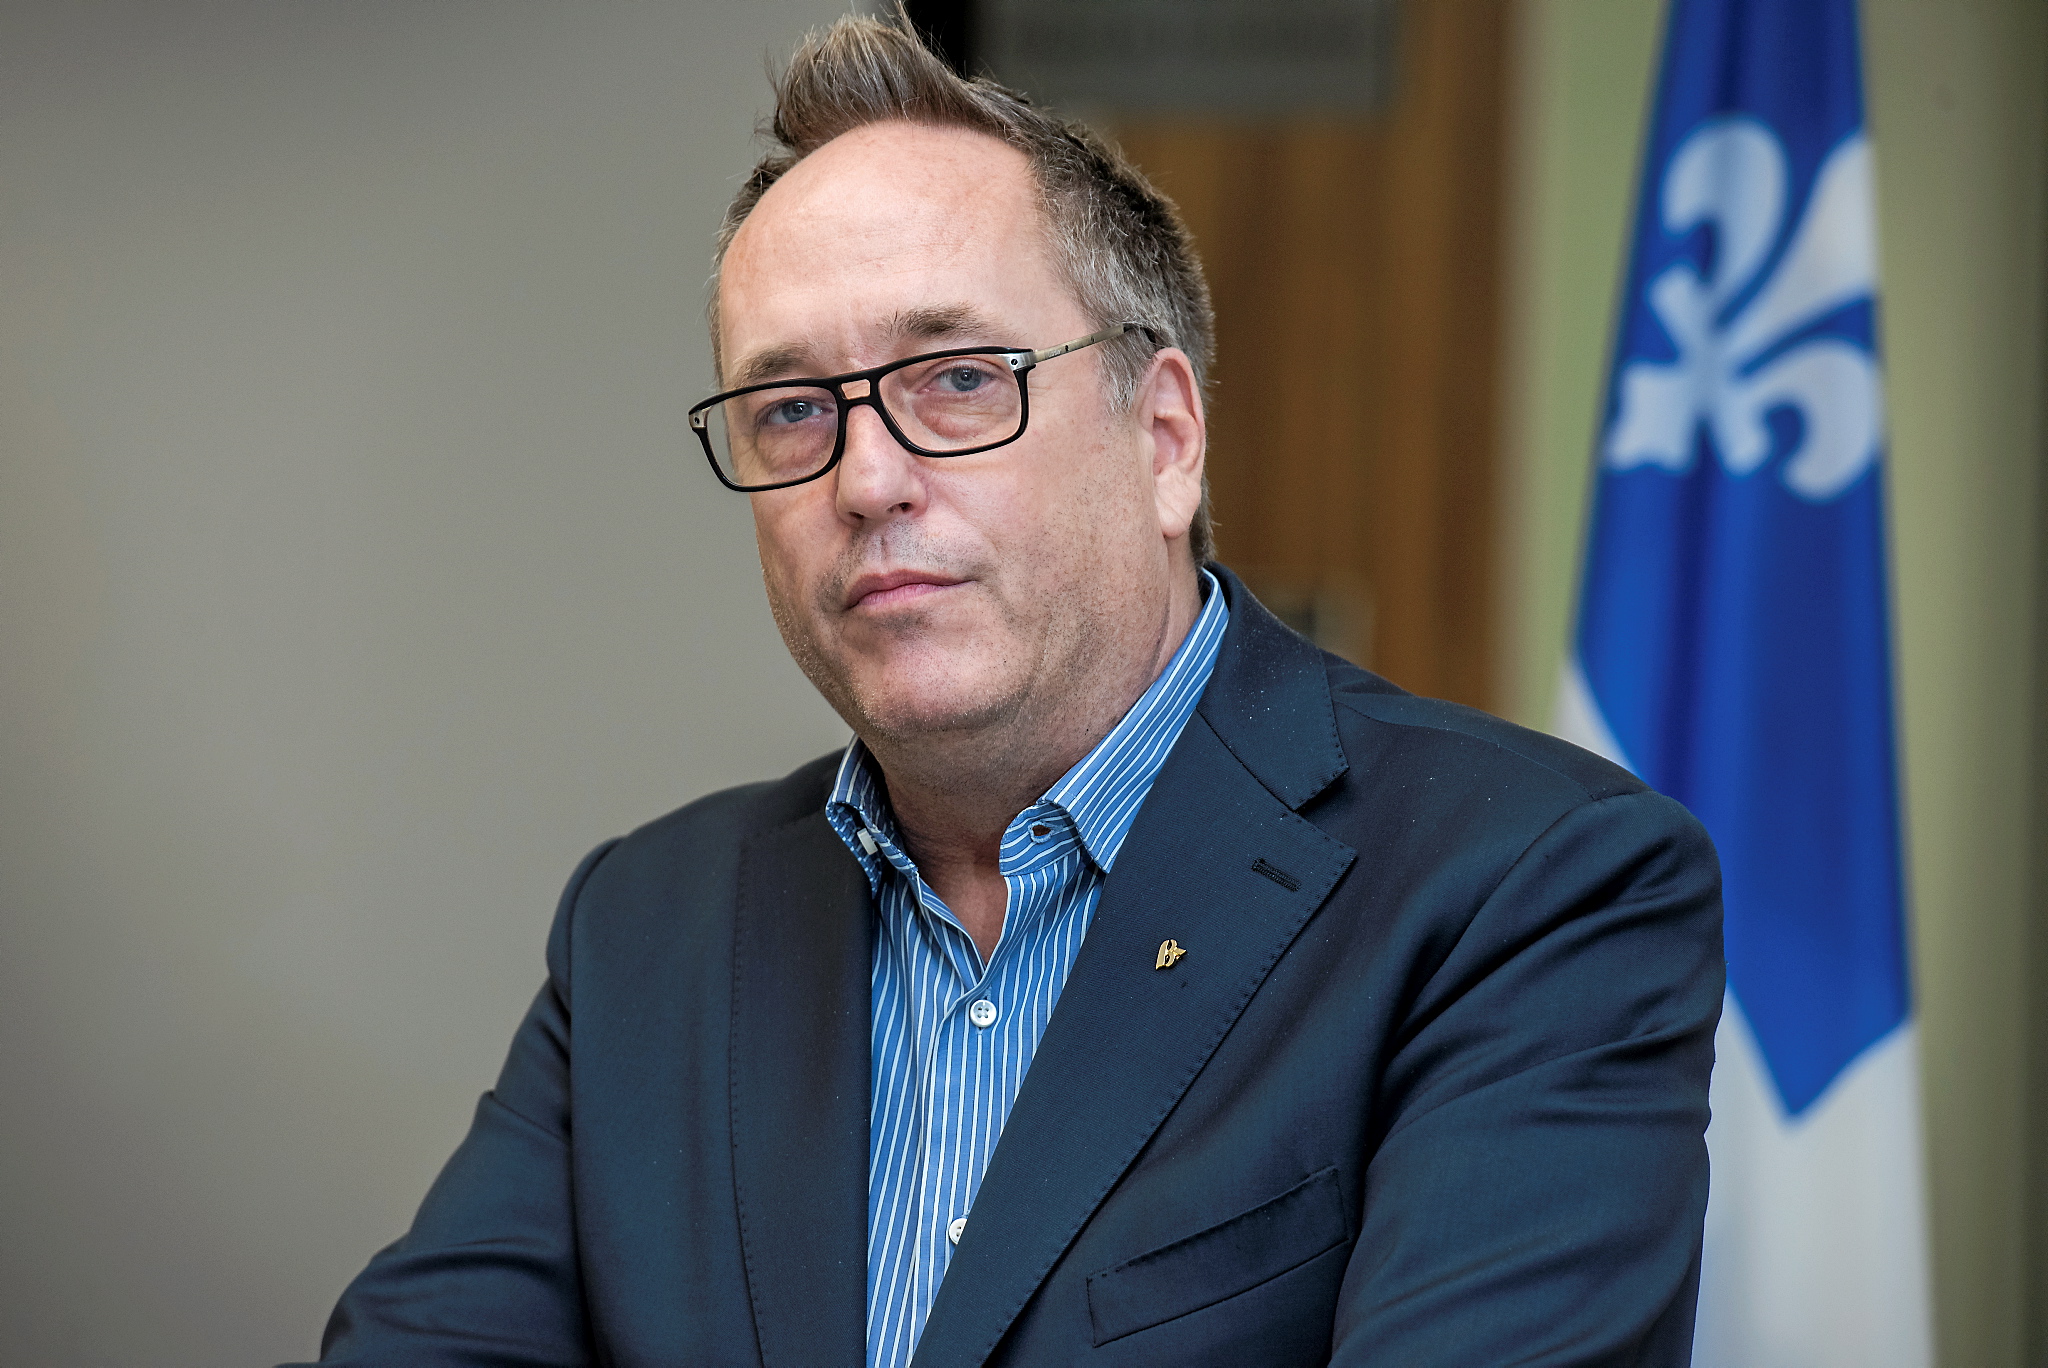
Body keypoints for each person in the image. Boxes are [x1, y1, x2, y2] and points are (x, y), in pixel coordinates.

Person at [291, 14, 1722, 1368]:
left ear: (1165, 440)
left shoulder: (1529, 887)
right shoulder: (650, 928)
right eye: (790, 409)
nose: (865, 479)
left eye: (960, 379)